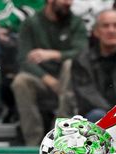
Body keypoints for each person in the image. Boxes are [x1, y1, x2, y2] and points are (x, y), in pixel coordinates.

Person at [11, 0, 88, 146]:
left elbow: (82, 53)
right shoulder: (31, 23)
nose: (69, 3)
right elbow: (23, 59)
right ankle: (32, 142)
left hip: (70, 82)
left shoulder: (76, 23)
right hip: (42, 79)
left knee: (70, 64)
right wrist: (47, 79)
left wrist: (53, 54)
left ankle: (59, 137)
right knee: (20, 81)